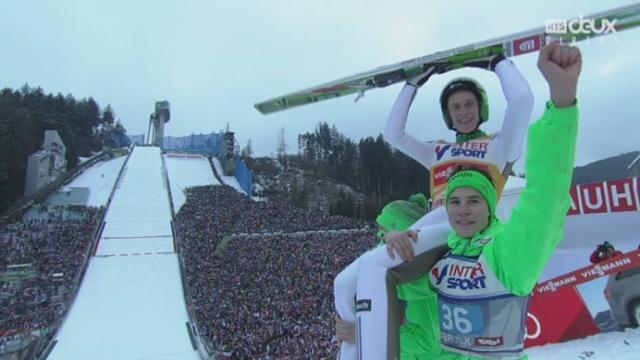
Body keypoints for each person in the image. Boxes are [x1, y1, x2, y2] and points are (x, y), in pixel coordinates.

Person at [357, 42, 581, 359]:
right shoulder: (438, 151)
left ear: (482, 108)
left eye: (469, 104)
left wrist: (496, 62)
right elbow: (394, 134)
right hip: (432, 233)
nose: (463, 112)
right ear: (448, 115)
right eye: (455, 107)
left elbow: (522, 100)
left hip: (468, 239)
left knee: (385, 276)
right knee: (375, 271)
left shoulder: (500, 147)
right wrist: (413, 84)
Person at [336, 194, 429, 347]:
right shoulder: (397, 275)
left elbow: (428, 344)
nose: (380, 245)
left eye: (383, 235)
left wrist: (365, 334)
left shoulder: (421, 278)